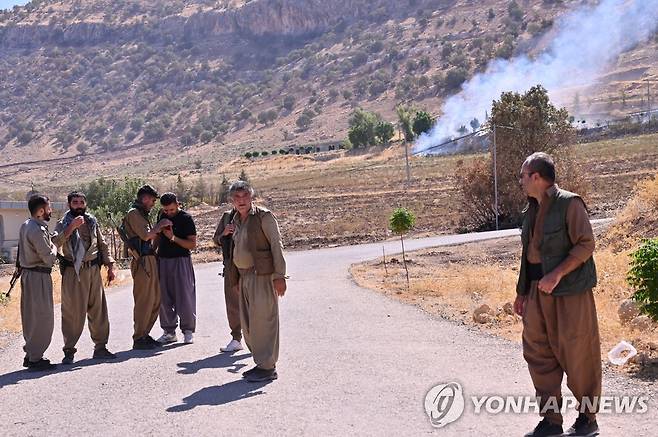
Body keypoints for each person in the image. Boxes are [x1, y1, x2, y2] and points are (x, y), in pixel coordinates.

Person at [515, 152, 601, 437]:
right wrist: (522, 292)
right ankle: (551, 421)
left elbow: (585, 244)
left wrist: (557, 274)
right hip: (537, 294)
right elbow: (528, 256)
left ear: (536, 177)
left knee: (579, 354)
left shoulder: (569, 204)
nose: (521, 181)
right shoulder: (531, 210)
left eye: (523, 176)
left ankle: (588, 419)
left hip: (569, 293)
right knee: (539, 355)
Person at [225, 181, 287, 382]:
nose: (241, 201)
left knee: (264, 322)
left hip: (262, 276)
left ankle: (268, 367)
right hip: (243, 278)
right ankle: (261, 363)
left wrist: (279, 276)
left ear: (251, 197)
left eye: (244, 196)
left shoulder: (264, 217)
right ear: (232, 200)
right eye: (237, 197)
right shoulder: (234, 219)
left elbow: (276, 247)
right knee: (250, 326)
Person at [53, 191, 117, 364]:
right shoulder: (63, 223)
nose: (79, 205)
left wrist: (110, 266)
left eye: (82, 202)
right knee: (72, 312)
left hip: (93, 270)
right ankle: (69, 351)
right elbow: (54, 243)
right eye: (75, 202)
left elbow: (103, 245)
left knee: (99, 311)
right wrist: (70, 228)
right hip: (73, 272)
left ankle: (101, 347)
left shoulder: (92, 221)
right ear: (69, 205)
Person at [122, 184, 169, 350]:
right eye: (152, 200)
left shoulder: (142, 214)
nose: (153, 203)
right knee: (144, 300)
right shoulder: (134, 214)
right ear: (144, 198)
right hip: (142, 260)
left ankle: (145, 334)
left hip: (150, 258)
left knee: (155, 299)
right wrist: (160, 225)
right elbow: (147, 235)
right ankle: (139, 337)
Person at [18, 194, 58, 371]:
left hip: (30, 275)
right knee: (43, 318)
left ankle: (31, 354)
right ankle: (35, 358)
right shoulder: (36, 229)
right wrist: (55, 246)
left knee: (31, 317)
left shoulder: (27, 225)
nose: (50, 211)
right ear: (41, 211)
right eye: (48, 208)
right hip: (38, 277)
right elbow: (49, 258)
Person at [155, 193, 197, 345]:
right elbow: (158, 238)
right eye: (166, 210)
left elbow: (192, 244)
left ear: (178, 204)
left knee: (184, 296)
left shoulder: (186, 218)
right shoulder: (161, 216)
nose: (169, 213)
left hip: (181, 260)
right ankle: (169, 332)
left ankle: (188, 331)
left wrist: (173, 237)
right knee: (163, 297)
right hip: (163, 260)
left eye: (172, 210)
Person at [212, 206, 243, 353]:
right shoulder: (226, 217)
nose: (240, 201)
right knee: (232, 305)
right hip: (230, 265)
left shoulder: (256, 215)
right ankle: (236, 338)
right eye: (236, 197)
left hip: (251, 266)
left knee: (254, 304)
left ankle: (258, 340)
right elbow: (216, 240)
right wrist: (224, 233)